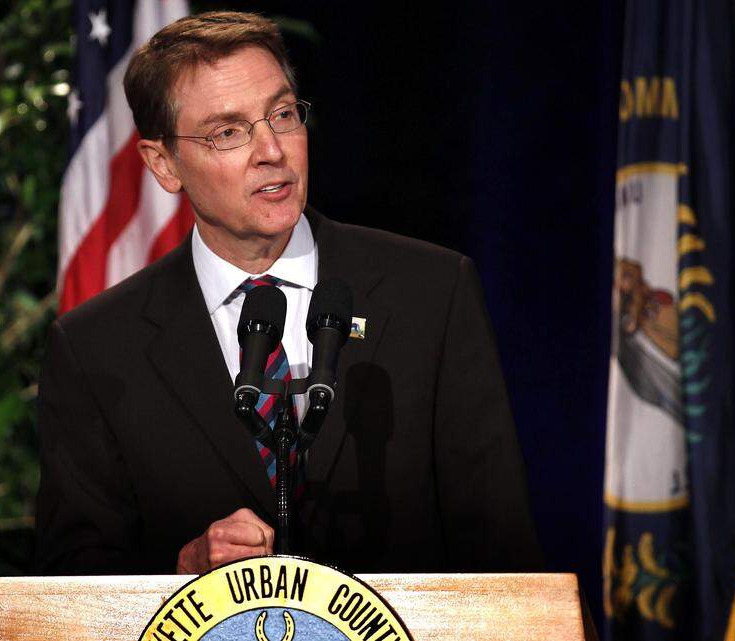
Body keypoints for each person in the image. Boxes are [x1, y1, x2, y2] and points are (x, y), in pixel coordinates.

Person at [34, 11, 542, 576]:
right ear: (163, 164)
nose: (271, 150)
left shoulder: (431, 294)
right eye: (227, 132)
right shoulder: (96, 348)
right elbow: (70, 581)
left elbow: (502, 552)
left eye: (281, 115)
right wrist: (178, 569)